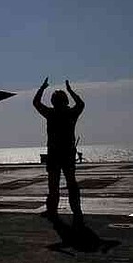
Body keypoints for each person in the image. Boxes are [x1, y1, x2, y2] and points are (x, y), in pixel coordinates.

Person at [33, 78, 85, 226]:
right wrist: (70, 91)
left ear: (53, 101)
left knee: (54, 185)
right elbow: (81, 104)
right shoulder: (71, 113)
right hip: (67, 154)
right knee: (71, 184)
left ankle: (53, 211)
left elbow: (36, 103)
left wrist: (42, 88)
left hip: (55, 154)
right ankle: (76, 212)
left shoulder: (51, 113)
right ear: (66, 100)